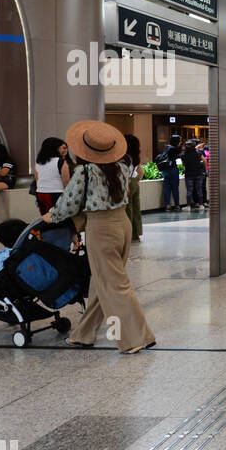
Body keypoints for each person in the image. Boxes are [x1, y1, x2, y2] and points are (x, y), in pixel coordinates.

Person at [42, 120, 155, 355]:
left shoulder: (85, 171)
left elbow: (69, 203)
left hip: (101, 228)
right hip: (122, 224)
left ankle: (137, 337)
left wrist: (51, 216)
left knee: (114, 285)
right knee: (101, 283)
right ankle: (84, 334)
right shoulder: (123, 165)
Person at [34, 137, 69, 215]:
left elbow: (37, 181)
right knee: (59, 219)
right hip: (56, 193)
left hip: (41, 194)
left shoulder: (38, 163)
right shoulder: (60, 162)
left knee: (46, 218)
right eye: (60, 147)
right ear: (55, 148)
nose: (62, 150)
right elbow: (66, 183)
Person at [123, 134, 144, 242]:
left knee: (128, 210)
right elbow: (141, 172)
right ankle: (136, 233)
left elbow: (123, 173)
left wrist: (128, 185)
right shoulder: (135, 157)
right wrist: (135, 181)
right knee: (136, 209)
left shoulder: (125, 157)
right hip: (134, 181)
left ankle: (129, 234)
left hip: (128, 183)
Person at [157, 135, 183, 211]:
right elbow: (181, 155)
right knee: (175, 188)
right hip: (173, 170)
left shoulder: (167, 148)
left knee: (167, 188)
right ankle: (177, 205)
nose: (181, 142)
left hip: (165, 170)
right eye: (180, 141)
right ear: (177, 141)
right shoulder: (174, 149)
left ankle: (167, 205)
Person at [182, 140, 207, 208]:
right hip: (198, 173)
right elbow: (205, 161)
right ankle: (201, 205)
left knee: (189, 191)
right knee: (199, 190)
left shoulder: (183, 155)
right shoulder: (198, 153)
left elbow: (183, 165)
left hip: (189, 174)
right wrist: (205, 170)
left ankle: (188, 206)